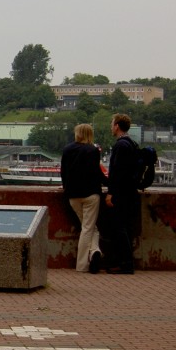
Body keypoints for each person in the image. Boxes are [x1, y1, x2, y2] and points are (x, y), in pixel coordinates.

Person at [61, 123, 107, 273]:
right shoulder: (93, 150)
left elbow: (63, 172)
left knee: (89, 227)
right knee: (88, 228)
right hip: (91, 194)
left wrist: (65, 187)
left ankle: (94, 252)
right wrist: (110, 183)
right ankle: (82, 265)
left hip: (73, 195)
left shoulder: (67, 149)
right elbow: (96, 173)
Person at [104, 113, 140, 274]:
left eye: (112, 124)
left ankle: (125, 264)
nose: (111, 126)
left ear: (117, 126)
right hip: (130, 192)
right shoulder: (132, 143)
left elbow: (117, 172)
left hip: (121, 194)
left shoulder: (120, 145)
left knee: (119, 228)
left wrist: (111, 193)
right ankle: (125, 263)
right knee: (124, 227)